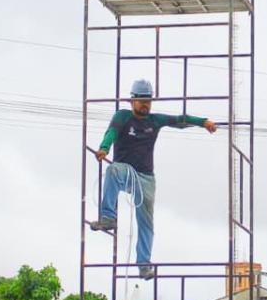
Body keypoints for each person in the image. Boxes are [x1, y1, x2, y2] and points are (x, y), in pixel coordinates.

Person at [88, 79, 216, 279]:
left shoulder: (154, 121)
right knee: (112, 170)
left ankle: (144, 265)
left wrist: (203, 122)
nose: (145, 105)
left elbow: (179, 120)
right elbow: (111, 132)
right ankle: (108, 217)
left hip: (146, 177)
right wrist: (104, 148)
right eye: (141, 101)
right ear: (133, 101)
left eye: (148, 101)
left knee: (146, 222)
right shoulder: (122, 116)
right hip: (125, 171)